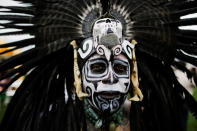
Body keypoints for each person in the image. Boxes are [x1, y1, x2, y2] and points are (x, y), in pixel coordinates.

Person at [0, 0, 197, 131]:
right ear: (79, 75)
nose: (110, 78)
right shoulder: (52, 122)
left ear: (132, 76)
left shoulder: (150, 122)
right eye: (97, 67)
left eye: (120, 69)